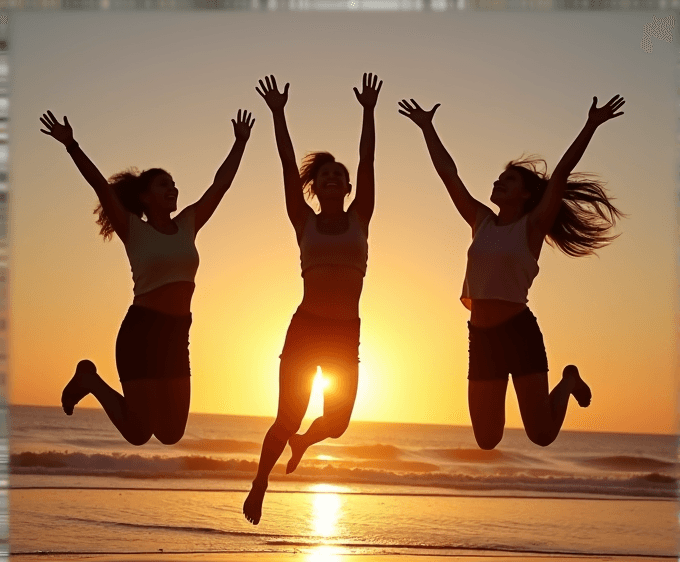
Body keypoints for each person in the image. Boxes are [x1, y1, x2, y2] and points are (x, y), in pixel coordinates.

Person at [399, 94, 625, 449]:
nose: (498, 183)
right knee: (487, 440)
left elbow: (561, 175)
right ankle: (564, 383)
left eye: (508, 180)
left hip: (518, 333)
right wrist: (428, 128)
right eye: (498, 178)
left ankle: (567, 382)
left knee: (542, 434)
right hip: (482, 338)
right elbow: (449, 175)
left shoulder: (533, 227)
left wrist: (591, 125)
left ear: (524, 194)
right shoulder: (481, 221)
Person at [40, 107, 254, 445]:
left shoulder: (188, 224)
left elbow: (221, 185)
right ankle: (90, 380)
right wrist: (71, 144)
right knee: (139, 433)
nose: (173, 188)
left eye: (173, 183)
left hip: (176, 334)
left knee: (170, 433)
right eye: (163, 184)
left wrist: (240, 143)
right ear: (145, 196)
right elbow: (99, 184)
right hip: (141, 331)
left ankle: (90, 381)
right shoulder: (132, 230)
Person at [243, 73, 381, 525]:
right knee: (286, 417)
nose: (334, 179)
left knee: (336, 425)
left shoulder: (362, 217)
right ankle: (260, 481)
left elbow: (367, 158)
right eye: (325, 176)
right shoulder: (303, 221)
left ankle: (306, 442)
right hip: (306, 328)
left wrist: (368, 111)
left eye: (339, 177)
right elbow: (286, 164)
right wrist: (278, 114)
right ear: (316, 188)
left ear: (347, 188)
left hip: (345, 333)